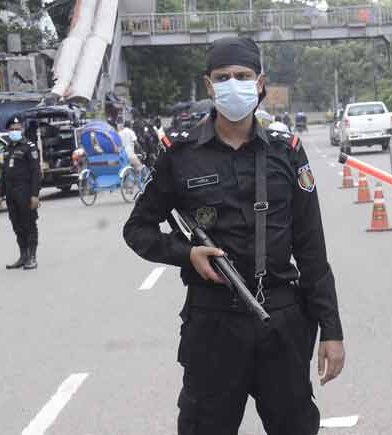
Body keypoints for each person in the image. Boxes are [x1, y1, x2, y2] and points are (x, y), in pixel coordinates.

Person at [123, 36, 345, 435]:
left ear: (260, 83)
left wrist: (331, 330)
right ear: (209, 86)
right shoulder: (180, 153)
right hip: (212, 324)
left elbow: (312, 248)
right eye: (223, 77)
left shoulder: (287, 151)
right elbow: (137, 228)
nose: (233, 84)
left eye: (242, 76)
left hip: (281, 319)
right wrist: (185, 253)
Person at [0, 117, 41, 270]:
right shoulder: (7, 148)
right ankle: (23, 256)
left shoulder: (29, 147)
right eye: (12, 129)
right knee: (17, 225)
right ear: (8, 131)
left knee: (29, 224)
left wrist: (35, 195)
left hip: (25, 191)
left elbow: (36, 172)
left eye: (18, 129)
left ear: (22, 130)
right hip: (11, 194)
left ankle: (32, 257)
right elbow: (4, 173)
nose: (15, 131)